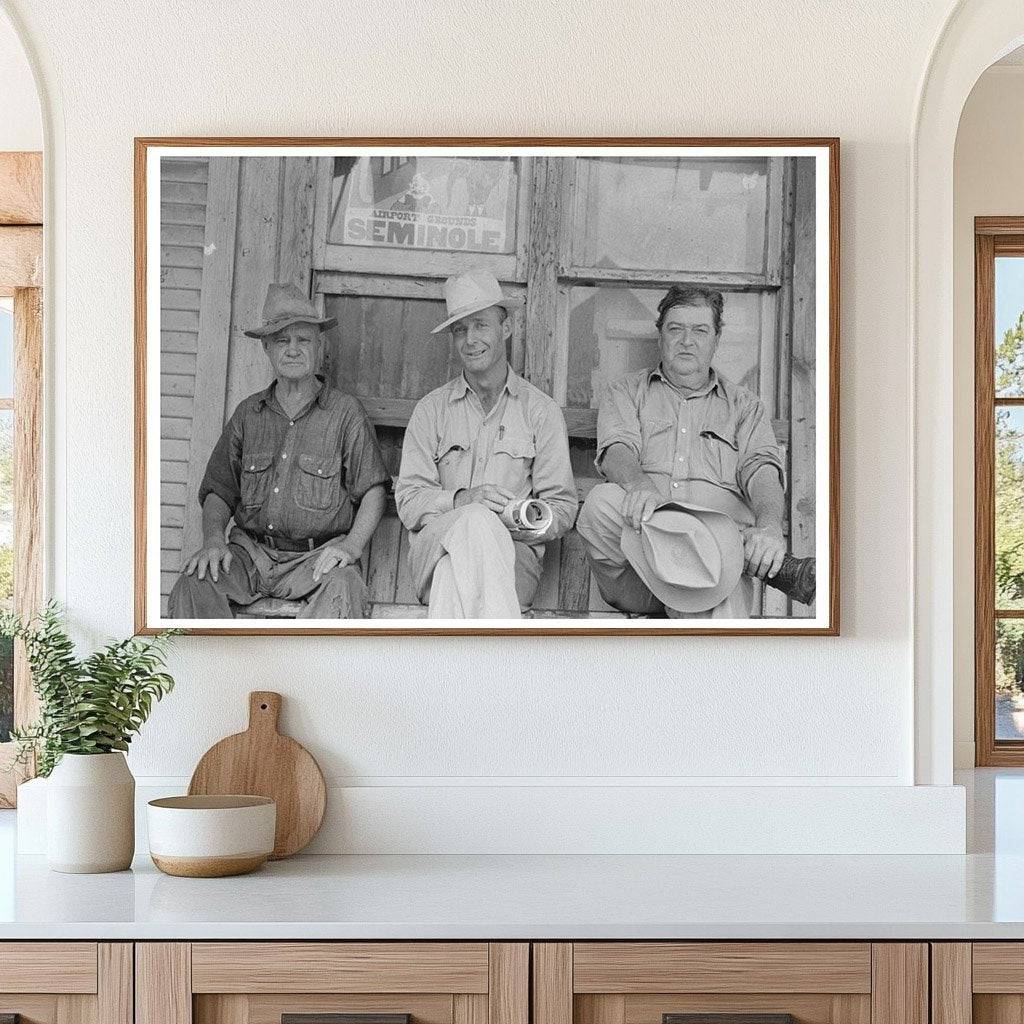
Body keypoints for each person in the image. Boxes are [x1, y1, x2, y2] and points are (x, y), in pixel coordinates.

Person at [168, 283, 388, 619]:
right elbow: (219, 491)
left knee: (345, 586)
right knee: (194, 583)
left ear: (319, 346)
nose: (293, 350)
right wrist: (213, 540)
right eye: (283, 341)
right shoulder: (248, 414)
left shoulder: (345, 413)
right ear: (267, 348)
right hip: (249, 556)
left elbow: (373, 490)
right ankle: (210, 658)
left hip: (316, 561)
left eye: (303, 340)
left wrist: (351, 546)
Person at [577, 285, 787, 618]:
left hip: (715, 562)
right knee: (601, 502)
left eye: (700, 330)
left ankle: (692, 594)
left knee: (718, 569)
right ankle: (690, 582)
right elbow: (617, 449)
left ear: (716, 339)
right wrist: (641, 487)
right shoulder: (627, 391)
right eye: (676, 329)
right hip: (640, 569)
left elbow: (762, 470)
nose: (687, 340)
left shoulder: (745, 406)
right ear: (660, 335)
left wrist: (770, 528)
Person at [395, 267, 577, 618]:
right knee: (475, 519)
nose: (470, 339)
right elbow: (409, 501)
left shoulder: (540, 411)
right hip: (434, 550)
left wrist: (520, 518)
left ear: (505, 329)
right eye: (460, 330)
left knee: (455, 569)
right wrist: (463, 501)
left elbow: (563, 508)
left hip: (512, 558)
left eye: (481, 325)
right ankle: (499, 648)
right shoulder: (431, 410)